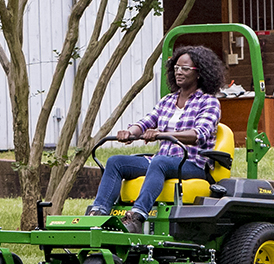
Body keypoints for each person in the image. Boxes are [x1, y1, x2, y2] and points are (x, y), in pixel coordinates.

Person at [89, 45, 225, 233]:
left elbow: (198, 134)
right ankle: (98, 214)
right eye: (176, 67)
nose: (179, 72)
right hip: (161, 162)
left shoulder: (209, 102)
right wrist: (130, 132)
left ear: (199, 73)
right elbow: (146, 122)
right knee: (115, 162)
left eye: (185, 69)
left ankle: (137, 216)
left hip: (191, 163)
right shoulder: (167, 100)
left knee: (160, 162)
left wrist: (163, 134)